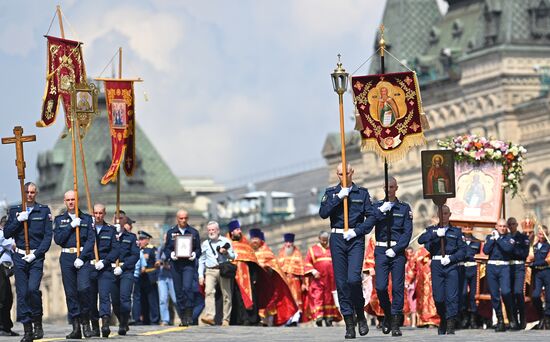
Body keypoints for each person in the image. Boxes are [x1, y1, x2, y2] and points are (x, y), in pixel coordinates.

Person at [319, 163, 380, 339]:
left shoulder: (362, 193)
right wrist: (338, 197)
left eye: (346, 173)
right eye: (339, 174)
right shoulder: (331, 193)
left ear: (352, 172)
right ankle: (349, 324)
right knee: (342, 283)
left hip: (354, 237)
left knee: (354, 279)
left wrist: (357, 231)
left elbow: (372, 217)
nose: (343, 176)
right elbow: (323, 213)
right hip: (338, 239)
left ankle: (360, 315)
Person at [3, 183, 52, 341]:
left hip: (35, 257)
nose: (29, 195)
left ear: (36, 193)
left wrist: (37, 254)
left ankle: (37, 321)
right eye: (27, 192)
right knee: (22, 293)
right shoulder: (15, 210)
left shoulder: (43, 211)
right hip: (19, 256)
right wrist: (18, 220)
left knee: (32, 290)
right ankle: (27, 329)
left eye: (32, 192)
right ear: (23, 193)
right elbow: (7, 232)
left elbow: (47, 237)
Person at [365, 177, 413, 337]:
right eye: (387, 187)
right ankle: (387, 313)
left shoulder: (404, 208)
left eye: (392, 187)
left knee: (398, 288)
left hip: (397, 252)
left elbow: (407, 233)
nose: (389, 189)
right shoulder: (377, 206)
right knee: (380, 287)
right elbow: (369, 224)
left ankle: (395, 323)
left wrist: (397, 248)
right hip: (381, 250)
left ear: (396, 188)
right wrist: (380, 212)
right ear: (383, 188)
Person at [53, 190, 95, 339]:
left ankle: (86, 323)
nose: (71, 202)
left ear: (77, 201)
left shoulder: (88, 219)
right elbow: (58, 239)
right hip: (66, 257)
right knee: (70, 293)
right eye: (68, 200)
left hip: (82, 257)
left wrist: (82, 257)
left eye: (73, 199)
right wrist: (71, 225)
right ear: (65, 202)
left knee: (84, 289)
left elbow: (91, 240)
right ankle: (76, 326)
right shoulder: (59, 220)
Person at [418, 205, 467, 335]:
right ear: (438, 215)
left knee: (452, 296)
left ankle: (450, 323)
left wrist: (452, 258)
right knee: (438, 297)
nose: (443, 216)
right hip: (437, 264)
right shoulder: (431, 230)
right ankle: (443, 317)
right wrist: (434, 234)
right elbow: (421, 240)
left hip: (451, 264)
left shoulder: (456, 232)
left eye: (446, 213)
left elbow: (463, 251)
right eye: (441, 213)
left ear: (449, 215)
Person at [163, 209, 201, 326]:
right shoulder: (171, 232)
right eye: (181, 218)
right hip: (176, 265)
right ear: (177, 219)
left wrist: (195, 254)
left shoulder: (193, 232)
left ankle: (189, 312)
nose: (183, 220)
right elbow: (166, 248)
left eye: (185, 218)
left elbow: (198, 249)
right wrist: (171, 255)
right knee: (178, 291)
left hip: (188, 265)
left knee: (187, 288)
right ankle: (183, 316)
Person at [88, 204, 119, 337]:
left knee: (105, 296)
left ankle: (105, 324)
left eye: (101, 213)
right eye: (96, 213)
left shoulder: (110, 230)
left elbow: (116, 249)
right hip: (90, 267)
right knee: (91, 298)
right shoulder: (89, 229)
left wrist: (105, 261)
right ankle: (94, 325)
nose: (98, 216)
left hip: (105, 268)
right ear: (92, 214)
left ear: (104, 214)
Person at [482, 218, 518, 332]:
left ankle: (511, 318)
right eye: (500, 226)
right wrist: (493, 239)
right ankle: (500, 321)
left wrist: (498, 239)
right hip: (492, 267)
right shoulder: (490, 237)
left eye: (504, 226)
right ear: (496, 227)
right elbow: (486, 251)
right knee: (494, 295)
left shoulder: (509, 238)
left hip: (504, 267)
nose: (502, 228)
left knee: (506, 292)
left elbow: (508, 249)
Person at [197, 221, 235, 326]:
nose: (211, 232)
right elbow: (201, 260)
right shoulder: (205, 244)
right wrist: (200, 275)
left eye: (213, 230)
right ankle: (210, 316)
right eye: (209, 230)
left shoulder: (226, 241)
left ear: (218, 230)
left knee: (226, 295)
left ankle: (226, 319)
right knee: (209, 291)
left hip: (223, 270)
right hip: (210, 270)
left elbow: (233, 256)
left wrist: (226, 253)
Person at [227, 220, 263, 326]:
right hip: (233, 276)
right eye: (237, 230)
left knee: (248, 297)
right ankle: (237, 319)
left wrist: (254, 276)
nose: (239, 231)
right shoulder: (227, 245)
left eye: (239, 229)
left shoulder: (246, 245)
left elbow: (253, 262)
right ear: (231, 232)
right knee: (235, 298)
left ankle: (249, 318)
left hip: (247, 275)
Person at [111, 213, 139, 335]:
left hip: (126, 270)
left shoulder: (131, 237)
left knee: (125, 298)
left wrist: (123, 267)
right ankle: (121, 319)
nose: (118, 220)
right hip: (111, 269)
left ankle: (123, 323)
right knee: (115, 301)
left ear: (125, 221)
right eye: (116, 218)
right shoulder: (109, 234)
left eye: (121, 218)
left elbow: (135, 255)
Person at [304, 231, 340, 327]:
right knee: (317, 297)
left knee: (329, 298)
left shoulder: (332, 249)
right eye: (323, 240)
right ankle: (318, 316)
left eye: (326, 241)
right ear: (319, 239)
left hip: (331, 280)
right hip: (318, 280)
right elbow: (307, 263)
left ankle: (329, 317)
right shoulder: (312, 250)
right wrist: (313, 271)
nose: (324, 242)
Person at [507, 217, 529, 329]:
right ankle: (514, 319)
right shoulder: (506, 237)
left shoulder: (523, 237)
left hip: (519, 266)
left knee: (518, 292)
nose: (511, 226)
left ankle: (523, 317)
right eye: (509, 224)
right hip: (508, 267)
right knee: (510, 294)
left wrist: (511, 249)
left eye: (513, 224)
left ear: (516, 225)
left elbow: (524, 253)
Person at [277, 233, 305, 321]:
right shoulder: (281, 252)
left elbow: (302, 269)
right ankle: (288, 318)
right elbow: (278, 267)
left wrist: (304, 283)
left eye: (290, 242)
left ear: (293, 243)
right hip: (285, 281)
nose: (288, 244)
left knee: (296, 298)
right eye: (287, 242)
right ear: (284, 243)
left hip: (295, 281)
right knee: (286, 299)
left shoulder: (298, 253)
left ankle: (296, 318)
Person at [459, 225, 482, 329]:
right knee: (463, 293)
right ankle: (464, 317)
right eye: (465, 226)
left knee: (473, 295)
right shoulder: (459, 240)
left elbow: (479, 255)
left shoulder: (476, 241)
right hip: (463, 268)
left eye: (469, 226)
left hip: (473, 269)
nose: (467, 228)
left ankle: (473, 319)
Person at [529, 225, 550, 329]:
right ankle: (541, 315)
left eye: (542, 234)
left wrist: (535, 264)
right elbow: (530, 257)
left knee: (548, 297)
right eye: (539, 234)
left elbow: (548, 260)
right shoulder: (535, 246)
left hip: (547, 272)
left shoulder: (548, 246)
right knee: (536, 295)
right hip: (537, 273)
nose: (540, 236)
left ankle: (547, 318)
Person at [138, 230, 160, 325]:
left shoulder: (152, 249)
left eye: (142, 239)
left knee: (152, 300)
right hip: (140, 277)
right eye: (139, 239)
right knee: (142, 300)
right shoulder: (138, 250)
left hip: (150, 277)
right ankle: (145, 319)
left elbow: (157, 264)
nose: (140, 241)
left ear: (147, 240)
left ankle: (154, 319)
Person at [0, 216, 18, 337]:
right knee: (2, 298)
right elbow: (13, 246)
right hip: (0, 269)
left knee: (8, 298)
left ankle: (6, 326)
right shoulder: (1, 234)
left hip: (5, 269)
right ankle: (2, 326)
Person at [157, 233, 177, 326]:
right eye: (165, 238)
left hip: (173, 276)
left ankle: (182, 317)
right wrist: (159, 263)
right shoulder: (161, 249)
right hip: (162, 276)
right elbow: (157, 261)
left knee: (175, 299)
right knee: (162, 299)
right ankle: (165, 319)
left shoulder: (175, 248)